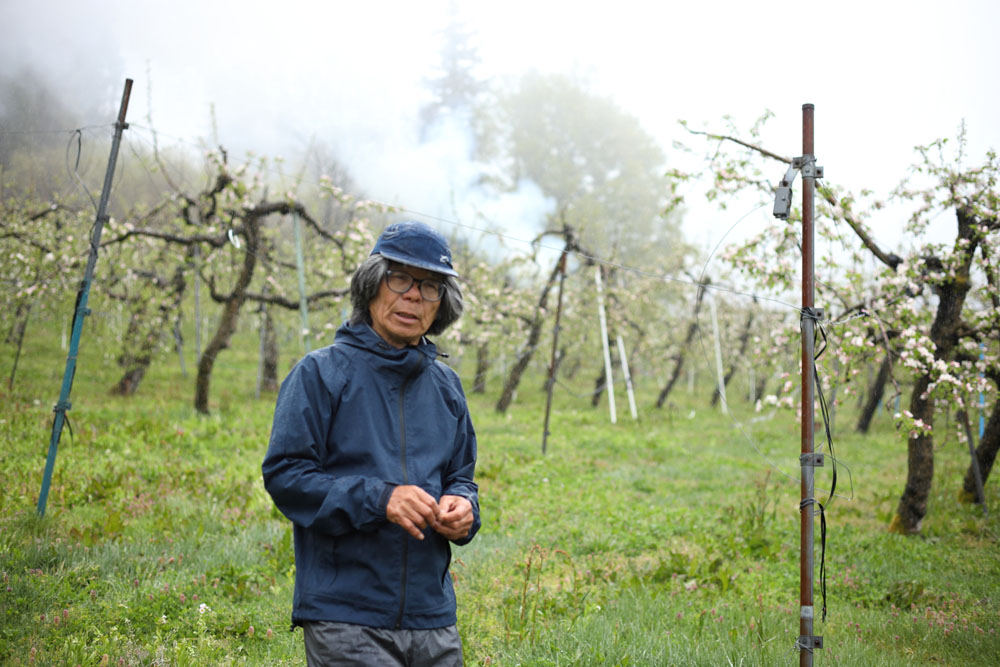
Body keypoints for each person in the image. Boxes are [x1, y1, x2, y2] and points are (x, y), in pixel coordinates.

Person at [262, 220, 480, 666]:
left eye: (431, 286)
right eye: (399, 278)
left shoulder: (446, 387)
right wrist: (381, 500)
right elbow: (286, 476)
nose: (414, 296)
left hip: (433, 618)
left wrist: (464, 508)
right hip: (347, 616)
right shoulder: (321, 374)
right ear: (371, 286)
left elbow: (461, 476)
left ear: (442, 306)